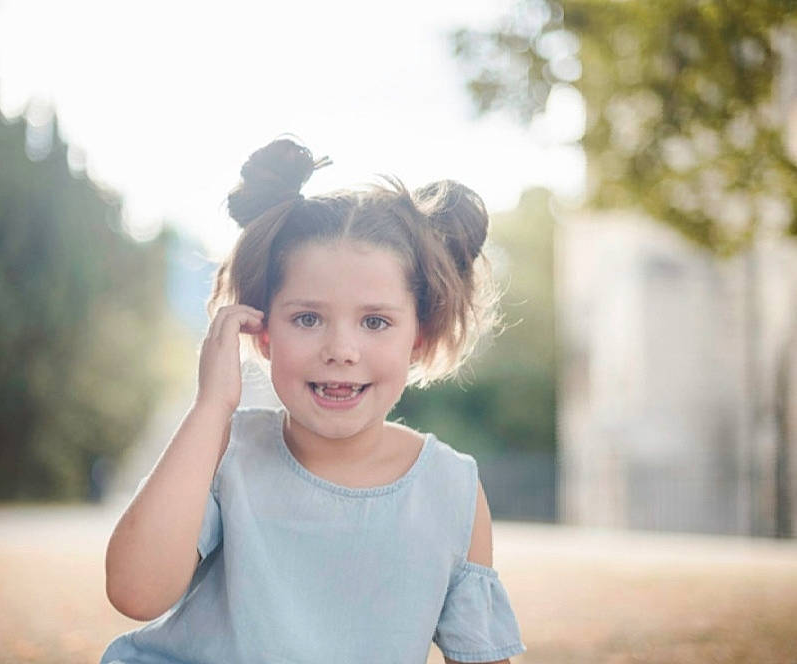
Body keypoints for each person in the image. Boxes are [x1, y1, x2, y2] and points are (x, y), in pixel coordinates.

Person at [101, 138, 526, 664]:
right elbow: (135, 593)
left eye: (375, 322)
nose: (341, 350)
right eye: (307, 318)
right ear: (262, 332)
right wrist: (211, 407)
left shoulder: (451, 490)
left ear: (419, 336)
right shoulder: (223, 453)